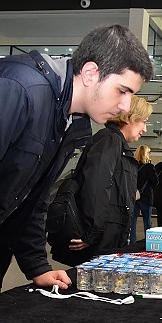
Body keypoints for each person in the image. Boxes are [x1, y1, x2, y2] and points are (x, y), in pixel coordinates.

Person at [0, 24, 153, 323]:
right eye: (122, 91)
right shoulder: (16, 90)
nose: (124, 105)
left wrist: (37, 267)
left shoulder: (70, 121)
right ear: (91, 72)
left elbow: (31, 197)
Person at [49, 96, 153, 267]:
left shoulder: (117, 144)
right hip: (101, 241)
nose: (145, 129)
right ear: (129, 117)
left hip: (109, 238)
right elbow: (96, 186)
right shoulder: (109, 140)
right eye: (144, 121)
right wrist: (92, 233)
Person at [130, 144, 159, 243]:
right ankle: (148, 242)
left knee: (132, 222)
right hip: (146, 197)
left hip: (134, 196)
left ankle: (132, 242)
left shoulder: (132, 165)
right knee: (147, 221)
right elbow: (156, 181)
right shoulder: (150, 167)